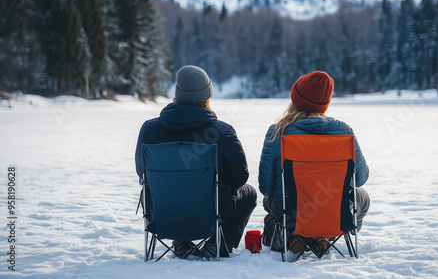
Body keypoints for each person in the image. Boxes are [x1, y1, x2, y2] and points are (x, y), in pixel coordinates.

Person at [135, 65, 257, 258]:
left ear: (177, 95)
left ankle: (181, 242)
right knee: (248, 193)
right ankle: (218, 245)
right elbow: (239, 178)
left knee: (175, 189)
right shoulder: (221, 132)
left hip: (161, 215)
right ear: (206, 97)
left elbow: (142, 173)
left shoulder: (149, 130)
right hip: (209, 216)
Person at [258, 71, 370, 251]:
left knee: (269, 200)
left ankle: (293, 236)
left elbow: (266, 187)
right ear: (325, 104)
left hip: (291, 215)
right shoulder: (344, 133)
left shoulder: (278, 132)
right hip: (333, 215)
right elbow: (361, 179)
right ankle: (327, 234)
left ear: (295, 99)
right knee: (362, 196)